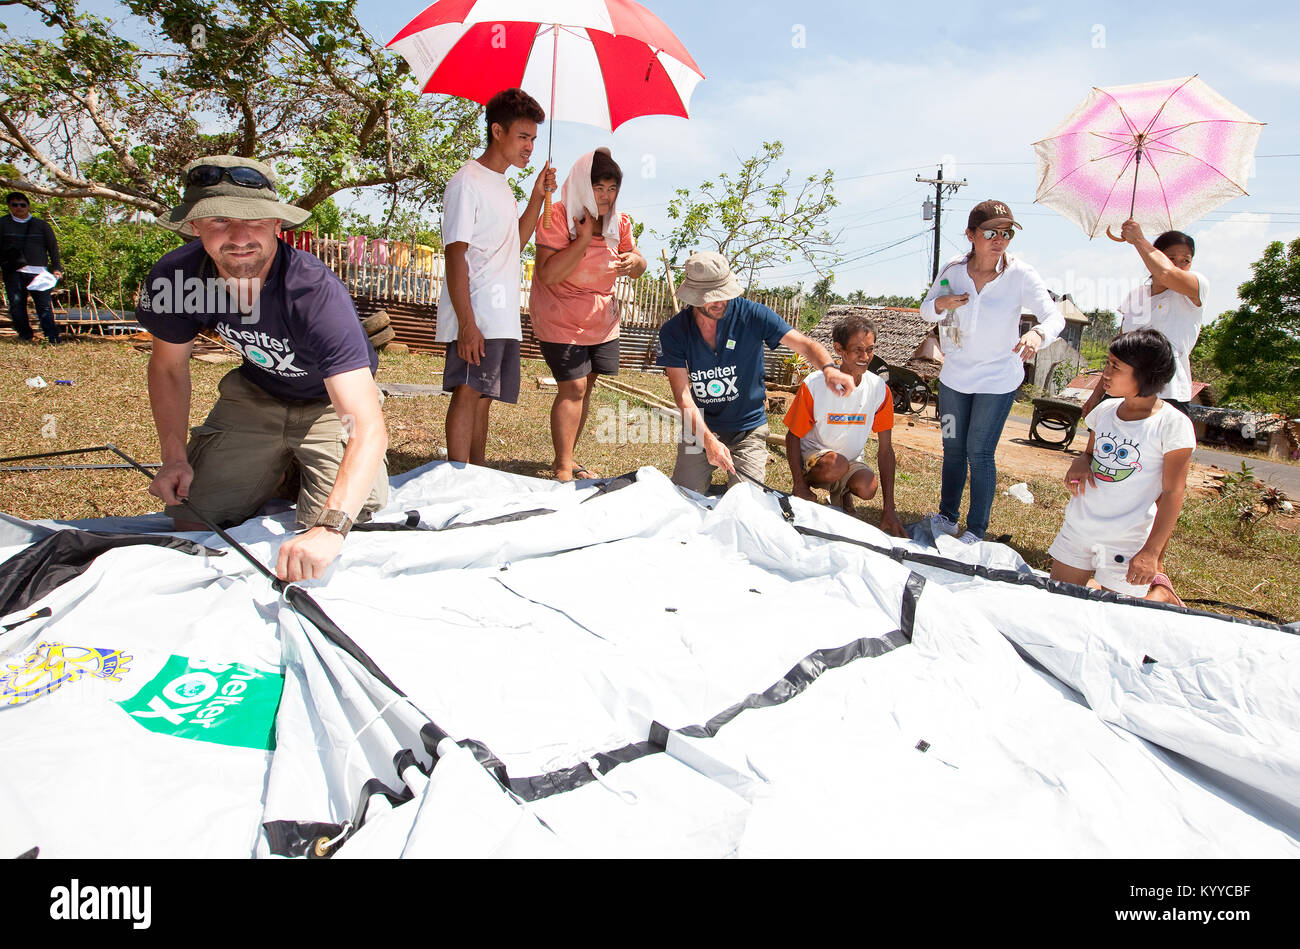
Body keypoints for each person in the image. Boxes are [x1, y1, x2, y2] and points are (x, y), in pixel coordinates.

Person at [137, 155, 390, 583]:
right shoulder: (176, 278)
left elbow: (367, 426)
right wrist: (173, 457)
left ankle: (290, 469)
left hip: (329, 405)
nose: (238, 237)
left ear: (277, 224)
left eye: (254, 220)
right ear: (193, 227)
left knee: (342, 528)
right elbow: (168, 369)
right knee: (193, 519)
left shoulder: (312, 292)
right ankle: (278, 465)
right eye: (218, 220)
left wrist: (330, 528)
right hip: (256, 393)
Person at [919, 199, 1065, 543]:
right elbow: (926, 311)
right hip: (955, 378)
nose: (999, 239)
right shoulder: (953, 271)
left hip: (998, 380)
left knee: (980, 452)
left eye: (1007, 232)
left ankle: (977, 530)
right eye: (990, 232)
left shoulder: (1021, 274)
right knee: (953, 448)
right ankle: (948, 517)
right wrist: (941, 303)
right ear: (970, 234)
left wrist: (1037, 333)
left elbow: (1054, 316)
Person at [657, 251, 855, 494]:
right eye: (711, 298)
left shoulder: (753, 315)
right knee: (685, 496)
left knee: (746, 501)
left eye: (723, 294)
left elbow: (805, 344)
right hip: (700, 427)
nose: (720, 302)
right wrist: (709, 441)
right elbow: (682, 395)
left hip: (747, 428)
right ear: (694, 297)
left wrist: (828, 369)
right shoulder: (674, 331)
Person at [438, 87, 556, 465]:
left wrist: (537, 195)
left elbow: (513, 244)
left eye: (534, 139)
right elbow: (454, 255)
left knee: (484, 396)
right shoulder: (466, 181)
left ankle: (476, 473)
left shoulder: (503, 186)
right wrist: (467, 323)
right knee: (468, 391)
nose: (529, 147)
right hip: (477, 312)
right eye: (523, 136)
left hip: (501, 315)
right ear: (497, 131)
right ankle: (457, 477)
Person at [1050, 329, 1194, 604]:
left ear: (1145, 373)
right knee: (1059, 604)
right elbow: (1089, 453)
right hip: (1079, 529)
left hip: (1127, 543)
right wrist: (1081, 462)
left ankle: (1161, 594)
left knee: (1119, 623)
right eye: (1107, 363)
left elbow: (1173, 494)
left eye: (1115, 366)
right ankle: (1099, 584)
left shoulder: (1172, 426)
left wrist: (1151, 553)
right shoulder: (1104, 411)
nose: (1105, 372)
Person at [531, 148, 646, 481]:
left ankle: (568, 457)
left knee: (586, 387)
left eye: (612, 188)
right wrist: (581, 241)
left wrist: (636, 263)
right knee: (574, 387)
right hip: (560, 316)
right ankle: (563, 468)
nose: (607, 196)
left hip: (601, 320)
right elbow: (548, 274)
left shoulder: (619, 222)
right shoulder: (556, 217)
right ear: (583, 186)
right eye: (599, 188)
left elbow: (637, 261)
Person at [783, 314, 906, 536]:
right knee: (835, 464)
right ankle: (809, 486)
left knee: (868, 487)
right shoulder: (815, 385)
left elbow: (886, 449)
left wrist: (889, 509)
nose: (865, 356)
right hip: (816, 458)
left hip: (849, 461)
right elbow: (792, 436)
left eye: (870, 349)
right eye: (857, 349)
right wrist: (799, 485)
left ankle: (842, 491)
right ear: (838, 349)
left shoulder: (879, 389)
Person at [1081, 223, 1205, 419]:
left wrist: (1138, 239)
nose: (1178, 265)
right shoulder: (1137, 296)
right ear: (1155, 257)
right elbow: (1118, 352)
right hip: (1122, 392)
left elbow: (1167, 273)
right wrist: (1097, 395)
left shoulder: (1195, 288)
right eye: (1170, 258)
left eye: (1186, 260)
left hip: (1167, 394)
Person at [1, 191, 63, 344]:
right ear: (9, 206)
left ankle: (52, 337)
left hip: (39, 273)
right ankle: (25, 335)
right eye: (15, 205)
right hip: (13, 271)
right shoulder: (2, 224)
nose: (19, 208)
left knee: (44, 306)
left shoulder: (41, 225)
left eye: (22, 204)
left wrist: (57, 268)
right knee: (16, 305)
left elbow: (53, 247)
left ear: (28, 206)